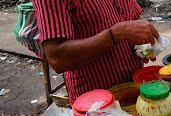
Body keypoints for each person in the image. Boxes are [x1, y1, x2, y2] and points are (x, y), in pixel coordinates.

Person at [32, 0, 160, 105]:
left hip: (135, 90)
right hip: (96, 106)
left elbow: (132, 14)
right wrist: (116, 34)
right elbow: (57, 58)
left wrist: (143, 42)